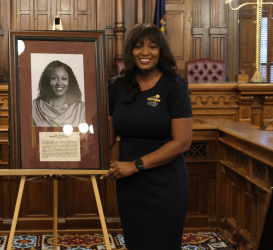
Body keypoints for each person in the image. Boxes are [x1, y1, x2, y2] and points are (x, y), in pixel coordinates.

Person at [101, 23, 193, 250]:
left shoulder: (175, 86)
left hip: (165, 184)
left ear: (161, 50)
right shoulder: (118, 87)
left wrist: (135, 165)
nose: (145, 52)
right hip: (130, 186)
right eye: (138, 47)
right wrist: (67, 159)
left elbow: (182, 142)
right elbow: (107, 138)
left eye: (152, 46)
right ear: (130, 51)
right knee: (137, 243)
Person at [32, 60, 86, 127]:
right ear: (47, 80)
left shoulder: (81, 109)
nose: (59, 83)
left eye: (64, 78)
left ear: (70, 82)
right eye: (54, 78)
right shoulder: (34, 106)